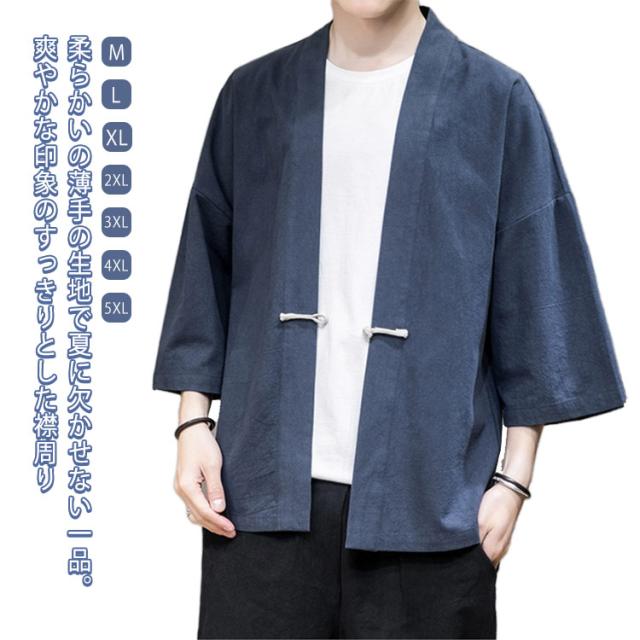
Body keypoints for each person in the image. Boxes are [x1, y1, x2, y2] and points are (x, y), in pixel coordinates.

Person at [152, 2, 627, 638]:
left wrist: (514, 480)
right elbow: (206, 265)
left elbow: (535, 286)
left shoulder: (495, 99)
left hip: (431, 508)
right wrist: (192, 425)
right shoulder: (252, 94)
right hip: (260, 500)